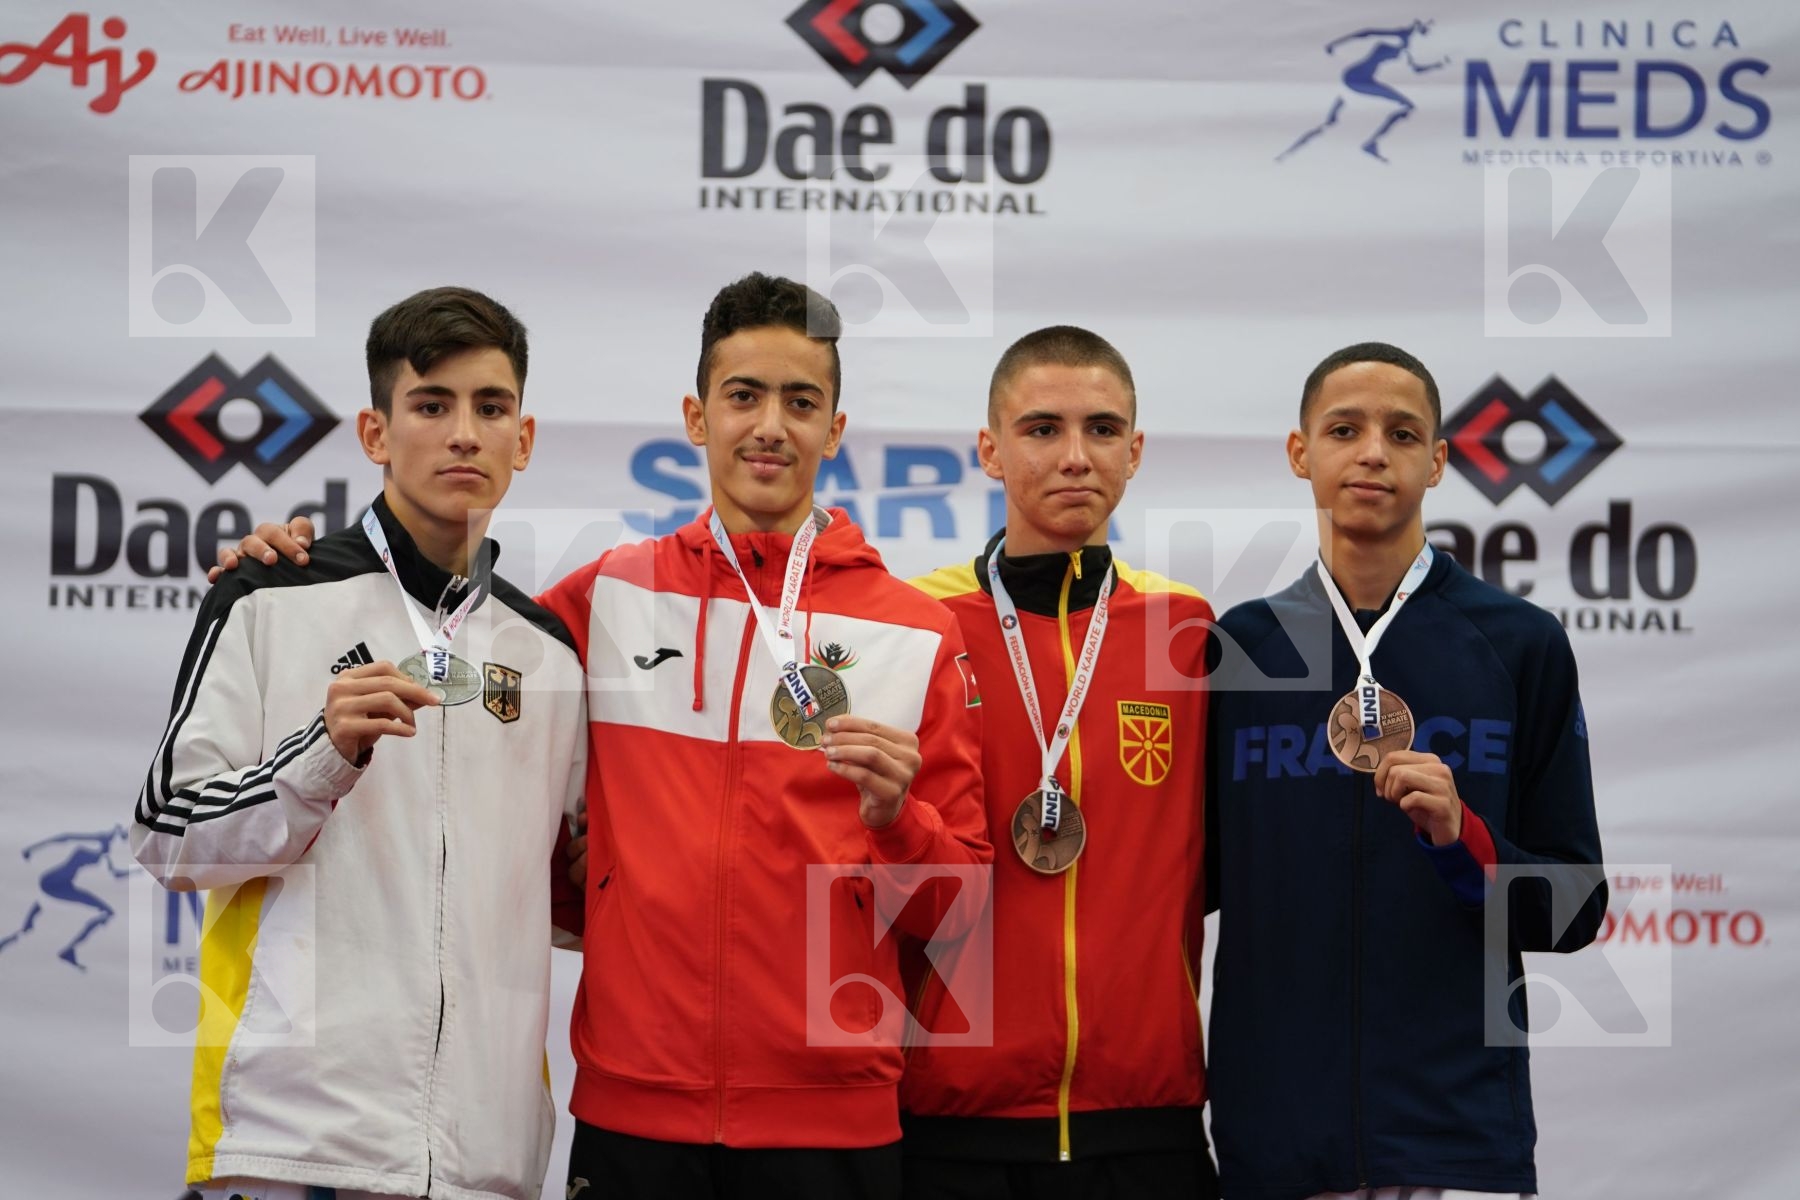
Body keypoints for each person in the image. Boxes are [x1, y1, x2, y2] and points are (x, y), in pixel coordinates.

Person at [213, 273, 992, 1200]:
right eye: (743, 396)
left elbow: (960, 919)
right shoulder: (601, 601)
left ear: (836, 427)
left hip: (835, 1120)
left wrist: (900, 820)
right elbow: (466, 696)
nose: (771, 426)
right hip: (630, 1115)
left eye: (800, 401)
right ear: (697, 418)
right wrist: (284, 559)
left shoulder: (915, 631)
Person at [134, 287, 588, 1200]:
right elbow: (165, 833)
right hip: (294, 1147)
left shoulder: (549, 655)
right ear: (375, 433)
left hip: (485, 1163)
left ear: (523, 441)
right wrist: (317, 757)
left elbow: (562, 895)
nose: (464, 433)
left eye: (490, 408)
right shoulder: (268, 594)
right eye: (431, 405)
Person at [1204, 342, 1606, 1200]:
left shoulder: (1519, 644)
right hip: (1274, 1142)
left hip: (1457, 1140)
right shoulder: (1240, 651)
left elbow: (1578, 906)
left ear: (1439, 463)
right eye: (1345, 429)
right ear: (1300, 453)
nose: (1374, 452)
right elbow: (1176, 884)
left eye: (1403, 432)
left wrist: (1468, 841)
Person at [906, 327, 1219, 1198]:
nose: (1076, 456)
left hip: (1146, 1119)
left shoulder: (1188, 633)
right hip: (954, 1120)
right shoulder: (913, 623)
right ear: (990, 450)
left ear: (1136, 450)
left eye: (1103, 429)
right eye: (1042, 429)